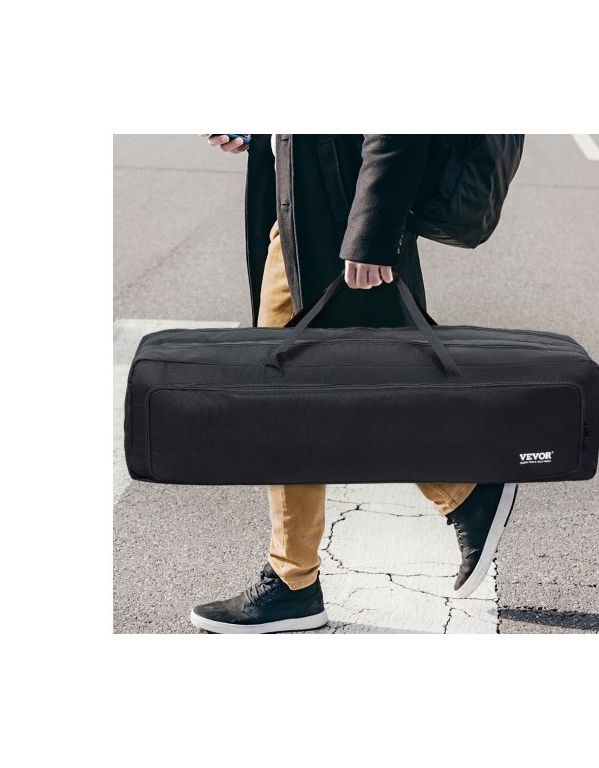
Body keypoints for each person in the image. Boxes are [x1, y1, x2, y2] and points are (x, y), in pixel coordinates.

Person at [189, 134, 516, 634]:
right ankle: (465, 490)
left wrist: (371, 230)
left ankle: (295, 579)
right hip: (311, 201)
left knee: (288, 397)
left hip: (335, 208)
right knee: (329, 388)